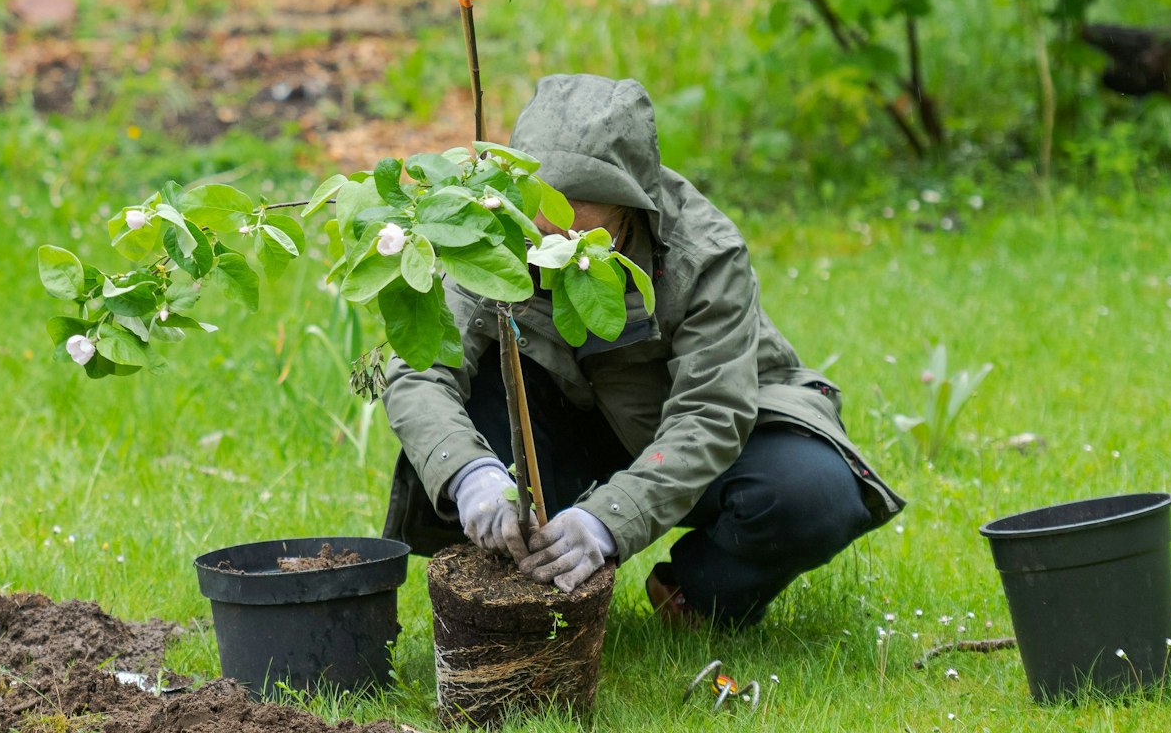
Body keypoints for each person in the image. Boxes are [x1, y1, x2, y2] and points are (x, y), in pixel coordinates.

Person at [380, 74, 904, 627]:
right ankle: (521, 611)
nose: (550, 231)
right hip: (553, 423)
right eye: (540, 206)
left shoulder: (704, 252)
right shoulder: (489, 226)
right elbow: (420, 367)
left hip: (677, 424)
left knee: (813, 493)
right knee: (458, 423)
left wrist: (608, 520)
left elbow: (710, 412)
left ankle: (694, 595)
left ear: (631, 205)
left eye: (578, 210)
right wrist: (471, 475)